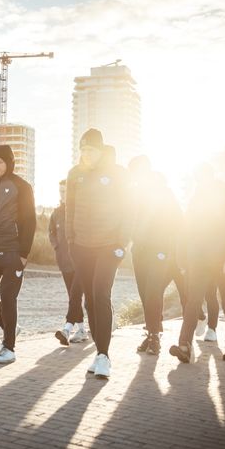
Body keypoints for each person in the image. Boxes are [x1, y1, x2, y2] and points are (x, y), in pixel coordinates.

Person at [66, 130, 131, 379]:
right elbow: (69, 208)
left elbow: (129, 208)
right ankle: (98, 353)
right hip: (81, 246)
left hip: (108, 245)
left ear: (100, 150)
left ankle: (104, 356)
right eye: (82, 150)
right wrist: (70, 240)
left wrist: (122, 242)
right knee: (90, 300)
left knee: (101, 293)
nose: (85, 155)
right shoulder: (75, 174)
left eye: (90, 150)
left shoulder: (117, 173)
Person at [168, 164, 225, 363]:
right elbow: (184, 230)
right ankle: (185, 345)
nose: (201, 181)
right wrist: (182, 258)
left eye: (203, 177)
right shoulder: (195, 200)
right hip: (198, 260)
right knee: (192, 301)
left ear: (211, 176)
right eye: (198, 178)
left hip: (223, 260)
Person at [0, 144, 37, 364]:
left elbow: (30, 220)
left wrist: (23, 253)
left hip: (13, 251)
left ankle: (9, 347)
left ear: (9, 162)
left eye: (0, 162)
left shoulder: (22, 186)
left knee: (9, 299)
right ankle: (10, 328)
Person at [128, 156, 184, 356]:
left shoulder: (164, 192)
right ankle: (152, 332)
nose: (134, 177)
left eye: (136, 172)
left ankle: (154, 337)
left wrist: (167, 245)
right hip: (139, 251)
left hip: (160, 251)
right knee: (145, 294)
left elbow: (178, 220)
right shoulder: (133, 193)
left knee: (153, 292)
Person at [49, 179, 88, 346]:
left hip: (80, 262)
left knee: (75, 296)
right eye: (60, 191)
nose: (62, 194)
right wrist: (57, 247)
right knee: (74, 297)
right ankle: (82, 330)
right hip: (64, 262)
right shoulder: (56, 213)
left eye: (65, 191)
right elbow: (51, 232)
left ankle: (67, 328)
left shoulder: (80, 211)